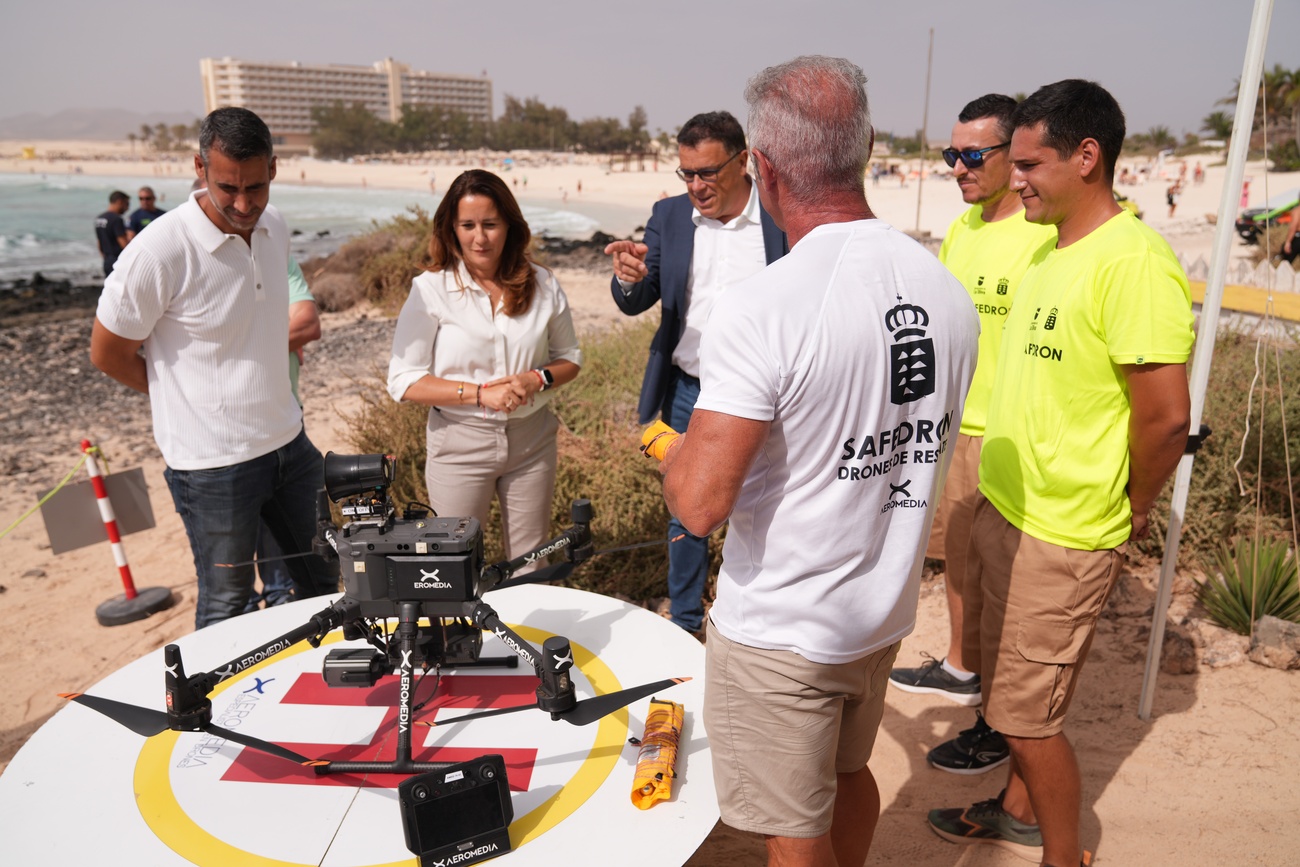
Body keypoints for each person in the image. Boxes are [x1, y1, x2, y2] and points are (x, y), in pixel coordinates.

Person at [660, 56, 978, 866]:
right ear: (867, 144)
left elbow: (698, 504)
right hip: (878, 610)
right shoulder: (944, 289)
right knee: (849, 773)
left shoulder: (767, 305)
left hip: (784, 629)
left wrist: (671, 447)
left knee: (792, 828)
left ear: (760, 169)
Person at [927, 80, 1193, 867]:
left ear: (1088, 158)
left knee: (1026, 717)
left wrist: (1134, 505)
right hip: (1010, 508)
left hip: (1065, 530)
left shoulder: (1134, 262)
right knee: (1011, 695)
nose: (1017, 180)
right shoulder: (1050, 246)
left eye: (1032, 165)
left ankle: (1062, 853)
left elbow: (1166, 419)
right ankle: (1015, 808)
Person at [90, 106, 339, 629]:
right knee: (228, 603)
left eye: (255, 186)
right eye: (228, 188)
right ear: (199, 169)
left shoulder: (274, 225)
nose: (244, 203)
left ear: (273, 168)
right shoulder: (159, 251)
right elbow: (107, 353)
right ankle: (219, 711)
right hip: (211, 465)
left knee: (323, 582)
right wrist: (179, 399)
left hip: (289, 445)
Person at [889, 95, 1056, 774]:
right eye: (948, 155)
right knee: (958, 564)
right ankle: (962, 668)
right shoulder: (964, 228)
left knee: (1006, 590)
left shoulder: (1045, 234)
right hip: (956, 426)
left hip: (1013, 437)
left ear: (1012, 154)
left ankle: (997, 723)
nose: (957, 167)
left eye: (971, 156)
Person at [605, 110, 787, 635]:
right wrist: (628, 278)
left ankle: (753, 616)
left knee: (770, 503)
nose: (696, 185)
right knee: (687, 509)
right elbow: (640, 297)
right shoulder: (667, 216)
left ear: (743, 160)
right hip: (687, 391)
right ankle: (685, 622)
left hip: (768, 392)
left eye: (707, 172)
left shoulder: (779, 213)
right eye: (686, 173)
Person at [388, 170, 582, 564]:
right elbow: (403, 381)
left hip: (532, 440)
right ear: (451, 229)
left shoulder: (543, 283)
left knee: (532, 564)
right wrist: (479, 394)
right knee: (455, 567)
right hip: (459, 442)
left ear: (510, 225)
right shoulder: (430, 289)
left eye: (490, 224)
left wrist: (535, 379)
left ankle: (521, 629)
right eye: (468, 225)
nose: (480, 237)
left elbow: (570, 358)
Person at [94, 191, 129, 275]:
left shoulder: (99, 219)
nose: (127, 208)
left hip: (107, 260)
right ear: (120, 202)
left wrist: (106, 258)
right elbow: (123, 243)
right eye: (127, 204)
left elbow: (99, 242)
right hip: (117, 260)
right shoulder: (116, 219)